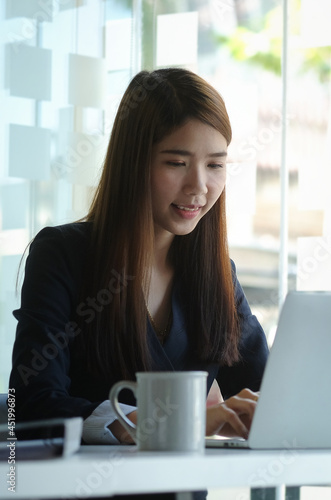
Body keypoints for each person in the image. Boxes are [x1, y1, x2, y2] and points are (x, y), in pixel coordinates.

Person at [9, 68, 269, 499]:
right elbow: (30, 403)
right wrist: (176, 426)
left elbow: (270, 392)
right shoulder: (64, 255)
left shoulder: (216, 274)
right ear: (135, 162)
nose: (199, 187)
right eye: (176, 163)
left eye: (216, 165)